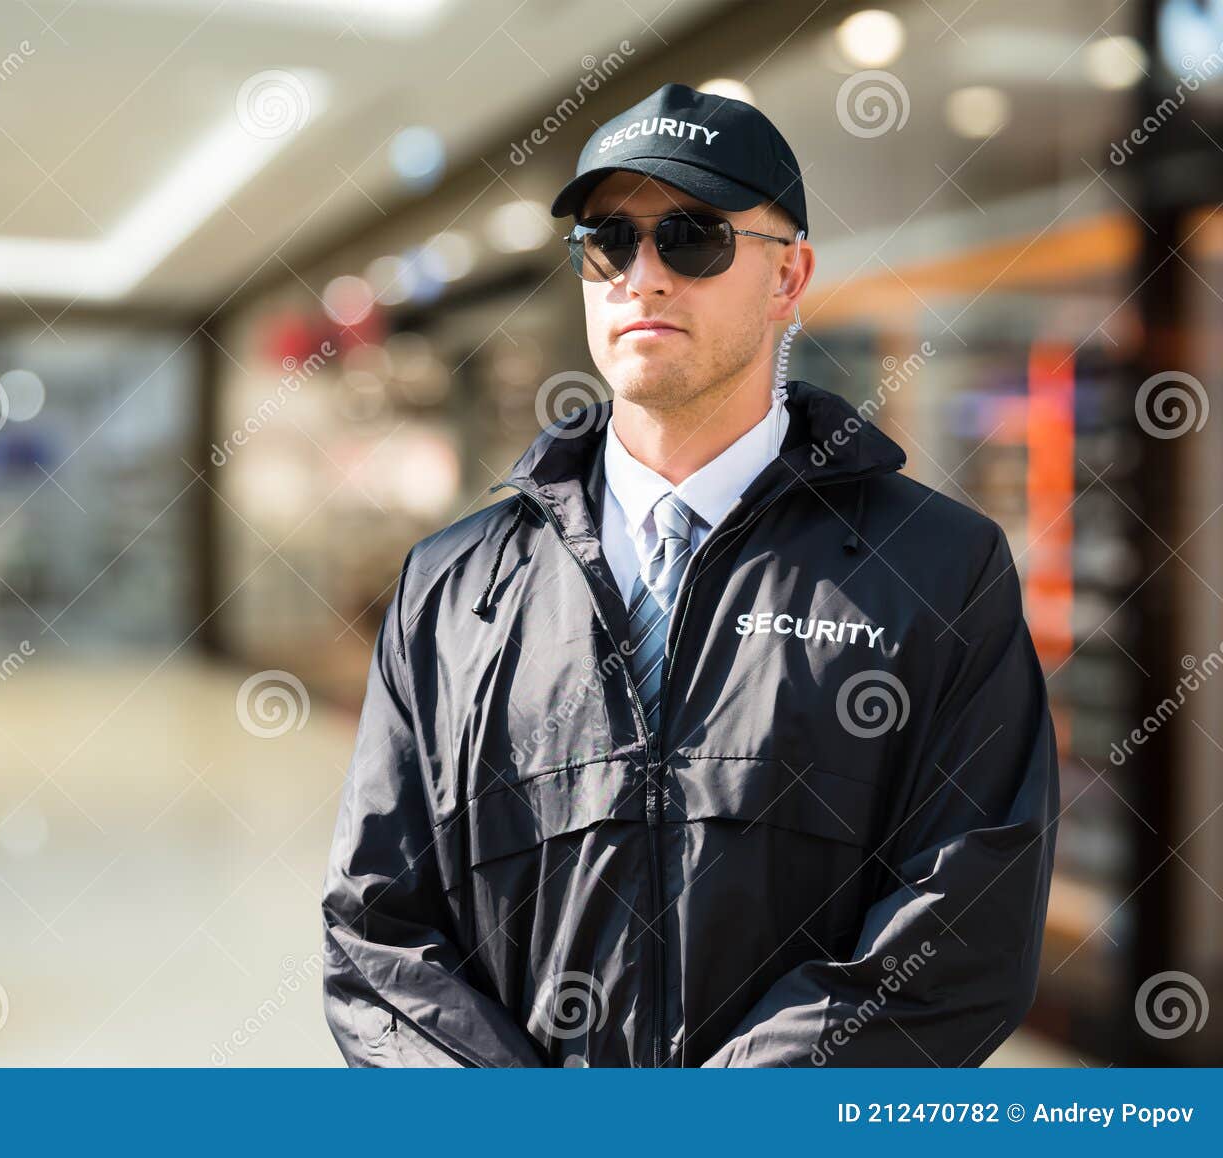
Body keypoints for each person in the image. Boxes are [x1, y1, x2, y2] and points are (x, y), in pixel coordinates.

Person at [320, 83, 1058, 1067]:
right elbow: (377, 940)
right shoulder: (452, 588)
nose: (642, 275)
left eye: (692, 237)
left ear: (788, 277)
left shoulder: (935, 568)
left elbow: (962, 928)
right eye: (608, 240)